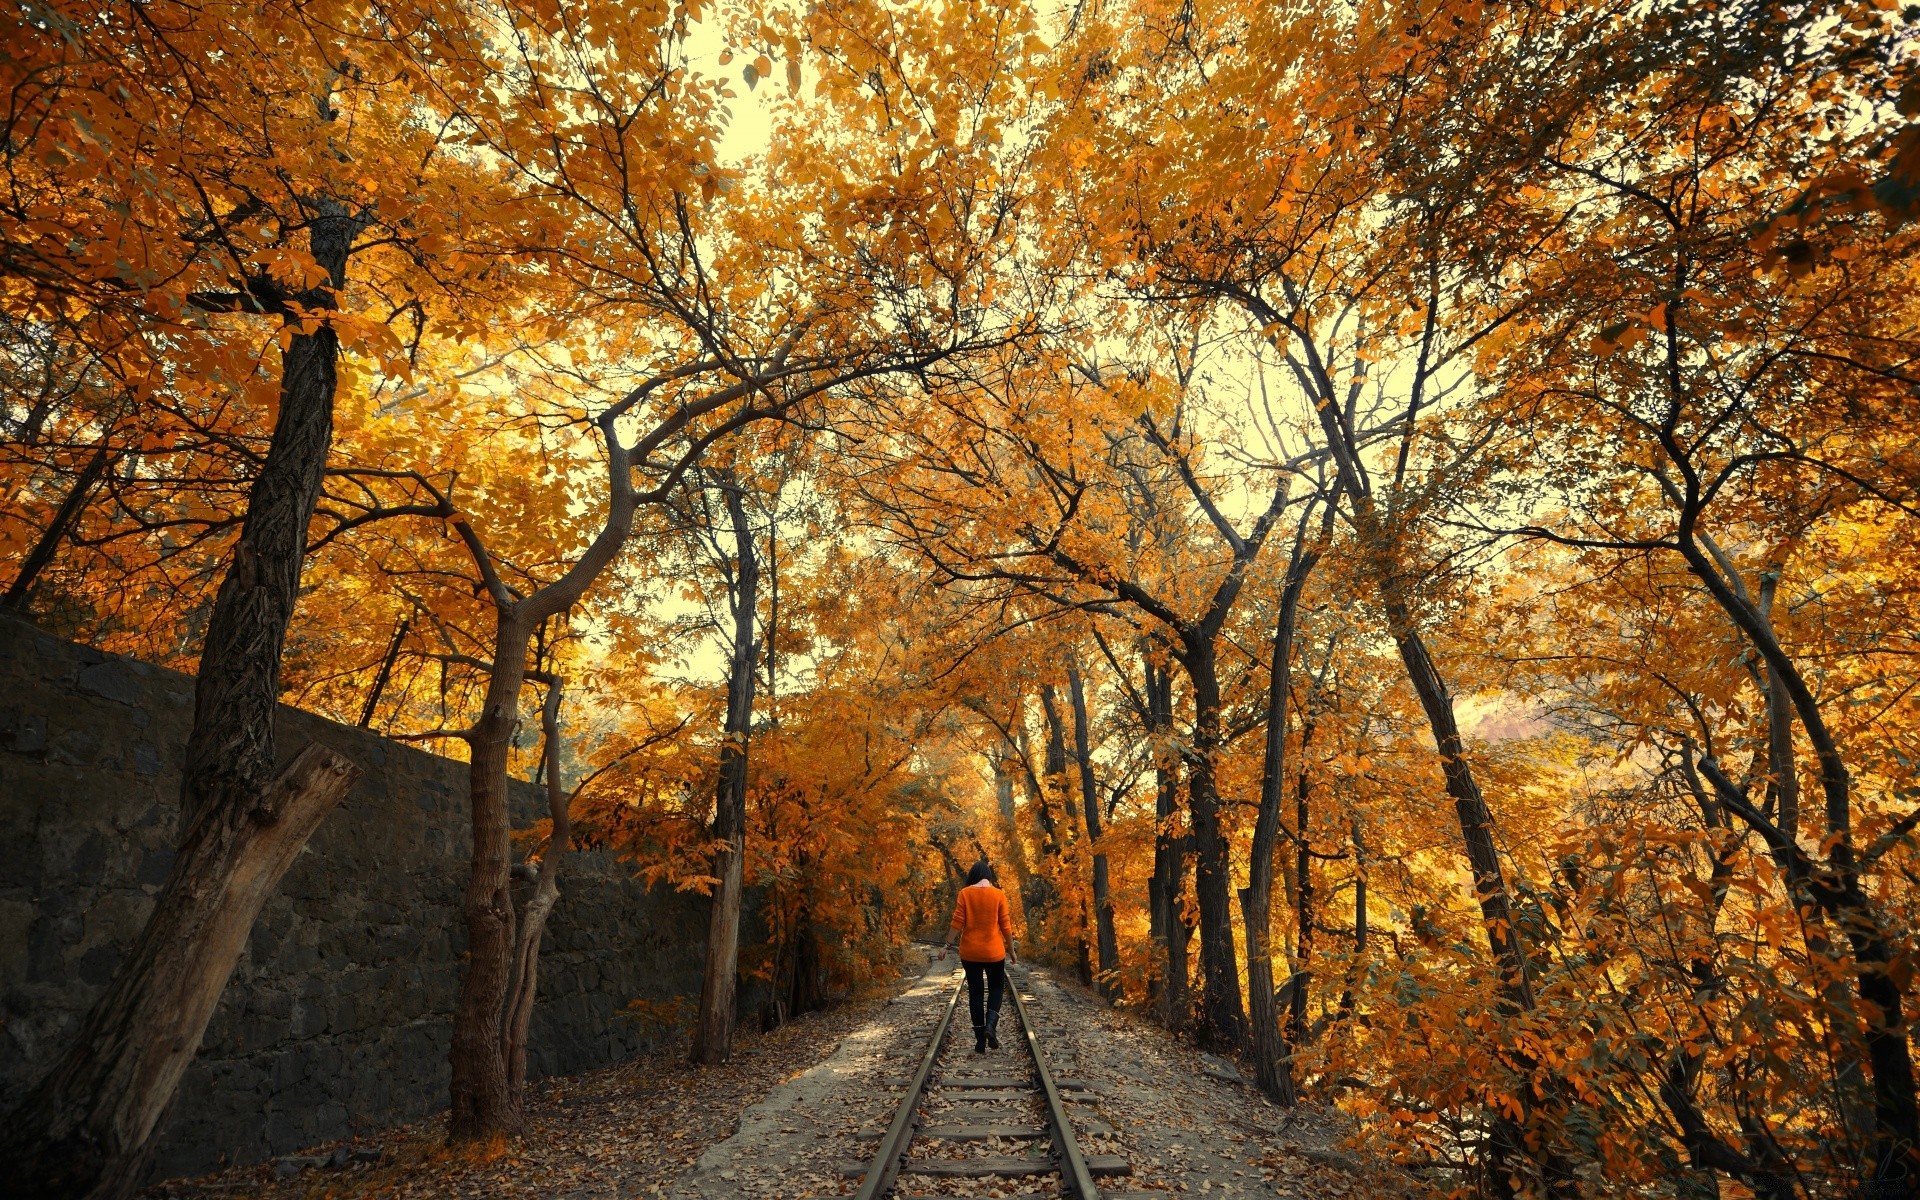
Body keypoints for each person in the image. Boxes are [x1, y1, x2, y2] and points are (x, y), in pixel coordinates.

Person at [939, 860, 1017, 1054]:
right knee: (997, 988)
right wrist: (1012, 950)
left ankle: (980, 1042)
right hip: (994, 953)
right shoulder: (999, 895)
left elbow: (957, 922)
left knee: (976, 993)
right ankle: (991, 1025)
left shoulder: (965, 894)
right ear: (988, 876)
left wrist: (946, 946)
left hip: (970, 953)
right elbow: (1005, 925)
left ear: (973, 876)